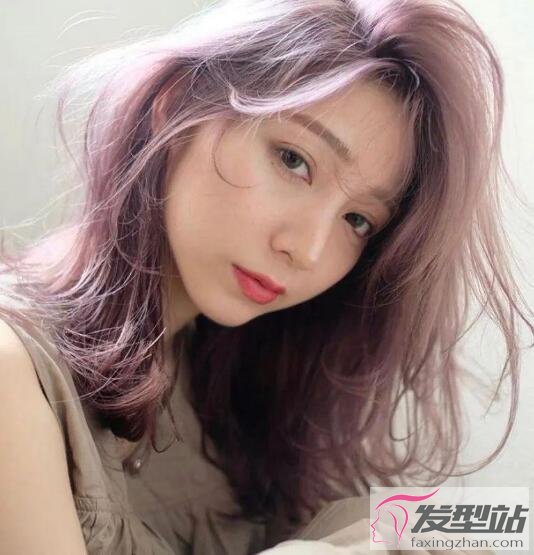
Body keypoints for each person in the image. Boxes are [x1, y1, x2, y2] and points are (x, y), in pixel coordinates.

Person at [0, 0, 531, 553]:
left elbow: (483, 523)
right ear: (176, 104)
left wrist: (485, 523)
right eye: (294, 161)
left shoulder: (232, 395)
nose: (307, 250)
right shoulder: (14, 369)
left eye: (357, 220)